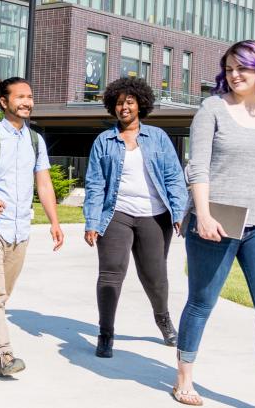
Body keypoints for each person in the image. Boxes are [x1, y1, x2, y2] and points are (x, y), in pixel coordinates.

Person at [173, 41, 255, 408]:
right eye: (229, 68)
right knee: (201, 301)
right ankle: (184, 380)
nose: (235, 74)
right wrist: (203, 215)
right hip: (218, 221)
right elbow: (199, 166)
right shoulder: (212, 109)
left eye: (243, 67)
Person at [83, 76, 187, 359]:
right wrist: (92, 222)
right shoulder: (104, 141)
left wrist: (179, 212)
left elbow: (174, 177)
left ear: (140, 104)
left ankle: (162, 317)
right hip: (116, 214)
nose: (124, 107)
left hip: (154, 216)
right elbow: (95, 184)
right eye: (118, 103)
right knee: (110, 273)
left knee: (155, 277)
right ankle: (106, 334)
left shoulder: (158, 138)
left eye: (129, 102)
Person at [0, 77, 64, 376]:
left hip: (21, 230)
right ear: (3, 102)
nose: (27, 102)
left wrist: (54, 221)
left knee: (2, 295)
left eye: (30, 97)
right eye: (20, 97)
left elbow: (44, 183)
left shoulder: (36, 140)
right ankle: (3, 355)